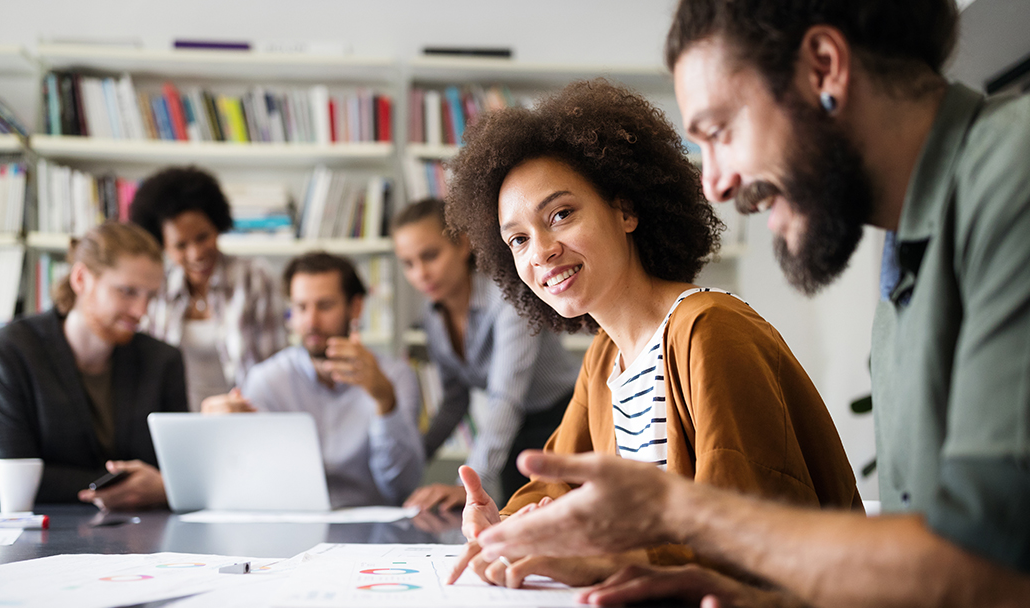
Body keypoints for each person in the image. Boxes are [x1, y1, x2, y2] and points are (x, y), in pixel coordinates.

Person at [471, 1, 1030, 606]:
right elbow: (940, 560)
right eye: (518, 239)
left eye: (719, 131)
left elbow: (987, 561)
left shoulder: (1012, 181)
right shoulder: (907, 268)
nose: (716, 184)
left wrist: (675, 517)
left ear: (824, 69)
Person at [443, 79, 862, 589]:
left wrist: (610, 558)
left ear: (625, 210)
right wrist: (505, 529)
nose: (541, 251)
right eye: (518, 239)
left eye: (561, 214)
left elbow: (751, 530)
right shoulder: (605, 359)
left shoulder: (709, 331)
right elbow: (556, 486)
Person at [0, 222, 187, 511]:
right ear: (81, 279)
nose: (141, 311)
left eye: (150, 296)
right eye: (127, 291)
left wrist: (166, 484)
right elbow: (13, 474)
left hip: (141, 534)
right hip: (36, 528)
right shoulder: (6, 353)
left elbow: (177, 469)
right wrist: (149, 485)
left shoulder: (162, 360)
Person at [392, 198, 581, 511]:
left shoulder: (509, 299)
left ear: (462, 245)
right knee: (516, 523)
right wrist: (414, 459)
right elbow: (455, 401)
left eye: (430, 255)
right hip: (515, 430)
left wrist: (468, 486)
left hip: (562, 422)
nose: (420, 274)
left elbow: (505, 397)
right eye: (408, 263)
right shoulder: (432, 316)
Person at [201, 252, 424, 508]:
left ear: (356, 307)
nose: (311, 321)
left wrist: (385, 399)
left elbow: (401, 487)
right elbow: (246, 478)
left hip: (372, 529)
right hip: (291, 525)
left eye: (325, 305)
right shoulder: (267, 380)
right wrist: (219, 434)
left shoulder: (394, 377)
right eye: (301, 307)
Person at [130, 166, 286, 411]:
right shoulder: (156, 287)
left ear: (217, 225)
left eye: (202, 237)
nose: (196, 253)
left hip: (245, 416)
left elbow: (275, 368)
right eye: (180, 245)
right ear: (162, 246)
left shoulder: (255, 278)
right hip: (177, 417)